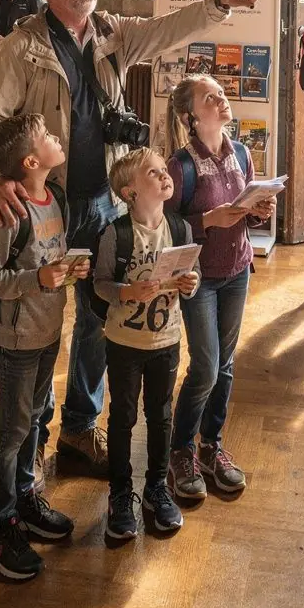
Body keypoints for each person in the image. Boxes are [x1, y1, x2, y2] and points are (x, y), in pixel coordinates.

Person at [0, 0, 261, 478]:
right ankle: (31, 435)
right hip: (48, 206)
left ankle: (81, 426)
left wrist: (220, 1)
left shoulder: (111, 33)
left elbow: (166, 30)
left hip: (105, 199)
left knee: (98, 316)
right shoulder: (23, 46)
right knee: (44, 316)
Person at [0, 113, 87, 581]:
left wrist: (64, 270)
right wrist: (35, 278)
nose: (59, 138)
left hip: (46, 330)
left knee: (37, 417)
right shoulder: (8, 212)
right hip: (15, 339)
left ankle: (24, 499)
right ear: (32, 160)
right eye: (49, 137)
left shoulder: (53, 197)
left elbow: (48, 256)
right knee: (11, 430)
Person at [164, 74, 276, 502]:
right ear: (192, 117)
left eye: (221, 94)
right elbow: (166, 227)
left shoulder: (242, 153)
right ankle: (181, 450)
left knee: (225, 365)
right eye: (211, 97)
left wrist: (258, 211)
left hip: (238, 271)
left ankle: (211, 446)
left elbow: (247, 217)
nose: (222, 100)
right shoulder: (180, 166)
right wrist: (209, 220)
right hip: (201, 278)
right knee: (206, 367)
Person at [94, 148, 199, 542]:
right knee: (122, 418)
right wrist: (126, 291)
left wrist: (191, 285)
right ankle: (120, 493)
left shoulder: (180, 229)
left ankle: (156, 487)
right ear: (130, 191)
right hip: (123, 342)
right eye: (153, 173)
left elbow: (192, 275)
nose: (164, 176)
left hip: (166, 340)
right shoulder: (116, 235)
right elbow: (100, 283)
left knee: (161, 415)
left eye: (163, 171)